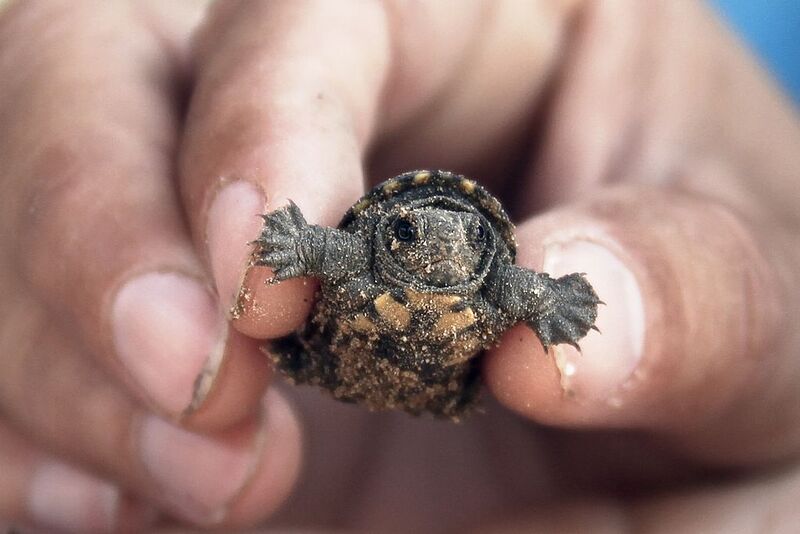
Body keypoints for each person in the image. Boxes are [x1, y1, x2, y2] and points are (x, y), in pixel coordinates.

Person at [0, 1, 798, 532]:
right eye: (419, 236)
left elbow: (536, 289)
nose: (446, 248)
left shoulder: (502, 286)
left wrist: (557, 304)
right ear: (393, 237)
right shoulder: (354, 256)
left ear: (488, 252)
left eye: (468, 244)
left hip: (493, 417)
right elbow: (313, 245)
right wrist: (284, 245)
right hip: (328, 372)